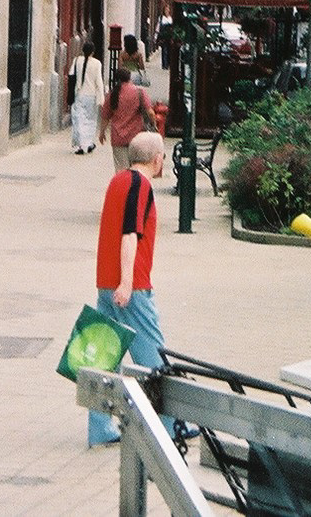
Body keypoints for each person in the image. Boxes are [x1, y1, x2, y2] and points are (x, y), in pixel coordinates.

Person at [87, 131, 196, 448]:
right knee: (153, 357)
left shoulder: (117, 181)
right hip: (130, 288)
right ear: (157, 159)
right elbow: (129, 235)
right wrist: (127, 282)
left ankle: (100, 429)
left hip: (106, 283)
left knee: (105, 357)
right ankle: (170, 425)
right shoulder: (141, 185)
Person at [99, 68, 155, 170]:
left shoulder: (112, 95)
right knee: (137, 169)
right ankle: (135, 186)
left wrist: (102, 133)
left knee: (121, 170)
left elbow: (105, 116)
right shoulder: (139, 93)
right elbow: (150, 113)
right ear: (130, 78)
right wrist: (154, 125)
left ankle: (124, 186)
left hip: (118, 138)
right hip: (136, 137)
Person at [69, 41, 105, 154]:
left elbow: (71, 75)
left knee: (78, 119)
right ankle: (88, 143)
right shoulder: (97, 63)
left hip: (79, 94)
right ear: (93, 52)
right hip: (91, 95)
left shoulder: (76, 61)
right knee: (90, 120)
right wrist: (101, 98)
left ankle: (79, 145)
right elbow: (99, 81)